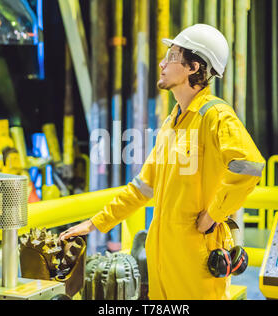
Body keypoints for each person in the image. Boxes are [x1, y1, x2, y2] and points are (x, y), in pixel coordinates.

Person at [59, 24, 265, 300]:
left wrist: (214, 214)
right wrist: (96, 224)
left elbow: (249, 165)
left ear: (193, 67)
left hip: (196, 258)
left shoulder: (215, 115)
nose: (162, 63)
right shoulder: (172, 122)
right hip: (162, 256)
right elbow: (143, 187)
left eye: (172, 56)